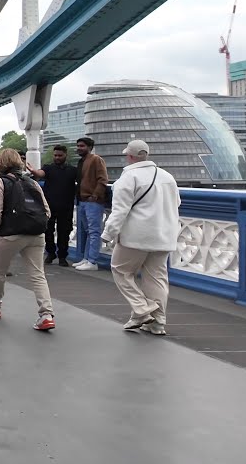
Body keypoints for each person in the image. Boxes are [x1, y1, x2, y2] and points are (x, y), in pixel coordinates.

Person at [101, 140, 180, 336]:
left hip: (136, 236)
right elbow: (176, 203)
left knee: (121, 270)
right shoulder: (167, 176)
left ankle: (142, 310)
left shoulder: (127, 178)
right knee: (157, 279)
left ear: (129, 156)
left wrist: (107, 234)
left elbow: (119, 211)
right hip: (164, 235)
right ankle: (157, 322)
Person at [0, 149, 56, 331]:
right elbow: (47, 210)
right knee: (38, 275)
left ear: (1, 163)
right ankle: (46, 314)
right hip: (36, 233)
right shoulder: (32, 182)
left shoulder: (0, 182)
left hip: (10, 233)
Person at [31, 145, 79, 266]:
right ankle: (50, 253)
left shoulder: (72, 170)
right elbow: (40, 173)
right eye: (55, 155)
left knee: (64, 233)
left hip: (66, 207)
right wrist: (33, 171)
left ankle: (62, 256)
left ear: (65, 155)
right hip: (49, 207)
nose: (57, 157)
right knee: (48, 232)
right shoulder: (48, 168)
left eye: (60, 155)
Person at [74, 137, 109, 271]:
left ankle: (92, 261)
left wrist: (95, 195)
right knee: (88, 231)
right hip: (82, 200)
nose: (79, 148)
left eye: (82, 146)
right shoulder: (81, 161)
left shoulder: (96, 159)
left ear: (90, 147)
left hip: (92, 201)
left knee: (94, 231)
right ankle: (86, 258)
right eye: (78, 146)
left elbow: (103, 179)